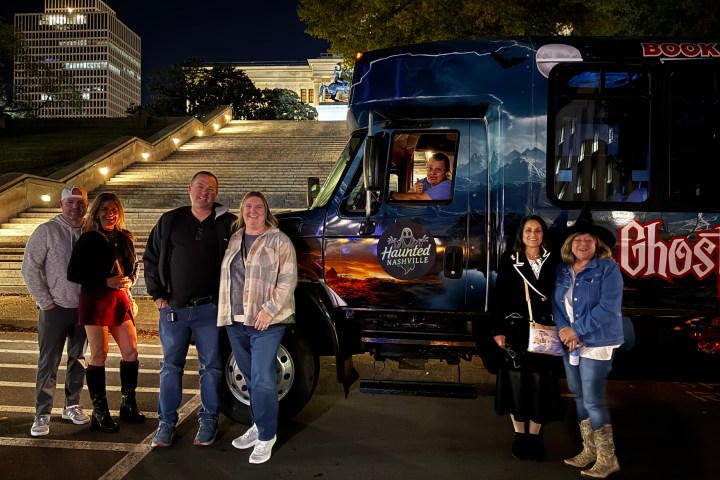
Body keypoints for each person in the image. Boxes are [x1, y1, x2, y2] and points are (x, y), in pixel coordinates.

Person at [143, 171, 238, 448]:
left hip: (210, 309)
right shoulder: (170, 220)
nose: (204, 193)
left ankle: (209, 420)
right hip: (174, 310)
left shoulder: (227, 224)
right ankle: (166, 424)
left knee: (211, 367)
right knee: (171, 367)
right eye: (199, 187)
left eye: (210, 189)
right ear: (189, 189)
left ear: (215, 194)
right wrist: (157, 296)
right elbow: (151, 257)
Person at [217, 192, 297, 464]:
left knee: (262, 376)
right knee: (250, 377)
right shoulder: (235, 238)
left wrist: (269, 310)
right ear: (242, 211)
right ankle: (258, 424)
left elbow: (288, 280)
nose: (253, 211)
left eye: (258, 207)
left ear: (266, 210)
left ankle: (267, 436)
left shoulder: (279, 240)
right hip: (236, 319)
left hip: (267, 320)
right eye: (248, 207)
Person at [553, 210, 624, 478]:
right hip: (571, 341)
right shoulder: (563, 270)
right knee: (579, 394)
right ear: (569, 245)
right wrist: (563, 329)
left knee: (593, 399)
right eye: (577, 240)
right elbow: (557, 304)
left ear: (597, 245)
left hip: (597, 340)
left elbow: (608, 308)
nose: (583, 244)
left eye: (589, 240)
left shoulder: (608, 268)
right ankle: (589, 451)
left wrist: (576, 331)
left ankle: (608, 458)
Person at [67, 192, 145, 433]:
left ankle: (128, 404)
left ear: (119, 212)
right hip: (95, 298)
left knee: (131, 351)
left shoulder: (125, 238)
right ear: (97, 212)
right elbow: (74, 274)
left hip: (120, 299)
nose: (109, 214)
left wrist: (130, 282)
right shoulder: (88, 238)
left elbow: (133, 268)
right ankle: (100, 412)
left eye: (114, 210)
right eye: (104, 210)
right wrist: (104, 281)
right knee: (99, 354)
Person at [21, 186, 91, 437]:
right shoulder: (47, 231)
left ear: (87, 203)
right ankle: (42, 413)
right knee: (48, 362)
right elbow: (30, 268)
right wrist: (45, 301)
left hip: (84, 308)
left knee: (79, 359)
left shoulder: (90, 231)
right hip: (55, 308)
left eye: (80, 202)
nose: (75, 206)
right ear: (62, 205)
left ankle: (72, 405)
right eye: (70, 202)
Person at [492, 215, 563, 461]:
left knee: (541, 384)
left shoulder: (554, 261)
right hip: (516, 331)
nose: (533, 234)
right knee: (517, 384)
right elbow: (498, 296)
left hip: (545, 332)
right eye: (528, 230)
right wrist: (498, 329)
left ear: (544, 235)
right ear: (521, 235)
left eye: (538, 230)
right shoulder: (510, 260)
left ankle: (535, 437)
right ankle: (519, 436)